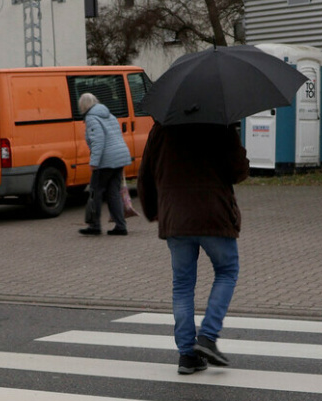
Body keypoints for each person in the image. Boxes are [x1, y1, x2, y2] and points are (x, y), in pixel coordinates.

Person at [138, 122, 249, 374]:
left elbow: (146, 173)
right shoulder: (220, 124)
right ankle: (208, 337)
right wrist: (237, 145)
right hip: (214, 215)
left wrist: (153, 210)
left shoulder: (162, 127)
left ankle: (187, 355)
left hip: (176, 217)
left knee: (183, 284)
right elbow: (238, 171)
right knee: (227, 270)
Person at [78, 93, 132, 236]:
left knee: (95, 192)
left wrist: (94, 162)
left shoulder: (91, 118)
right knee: (113, 192)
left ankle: (94, 225)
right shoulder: (109, 115)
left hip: (105, 161)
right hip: (119, 158)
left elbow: (98, 141)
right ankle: (121, 226)